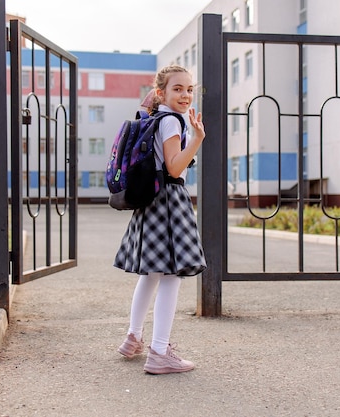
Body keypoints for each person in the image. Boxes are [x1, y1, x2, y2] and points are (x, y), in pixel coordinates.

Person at [114, 65, 207, 374]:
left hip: (152, 202)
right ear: (162, 93)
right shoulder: (172, 122)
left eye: (190, 89)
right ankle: (159, 351)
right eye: (178, 89)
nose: (186, 95)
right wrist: (197, 138)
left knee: (151, 274)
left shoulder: (154, 117)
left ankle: (133, 337)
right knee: (171, 276)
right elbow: (175, 168)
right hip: (168, 200)